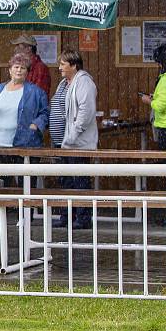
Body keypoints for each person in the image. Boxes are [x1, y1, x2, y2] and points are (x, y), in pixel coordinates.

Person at [50, 49, 98, 229]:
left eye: (63, 64)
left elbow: (86, 111)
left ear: (74, 65)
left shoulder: (84, 82)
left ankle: (83, 218)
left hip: (77, 143)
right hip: (63, 142)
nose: (59, 67)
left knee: (80, 180)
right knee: (65, 179)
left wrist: (73, 134)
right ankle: (67, 215)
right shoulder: (64, 83)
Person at [0, 54, 49, 149]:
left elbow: (46, 113)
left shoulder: (36, 92)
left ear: (27, 72)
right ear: (10, 70)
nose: (19, 70)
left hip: (24, 145)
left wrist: (35, 125)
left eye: (23, 68)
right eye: (16, 67)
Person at [11, 33, 51, 99]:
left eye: (18, 46)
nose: (15, 49)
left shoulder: (40, 68)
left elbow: (38, 96)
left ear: (28, 49)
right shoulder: (22, 66)